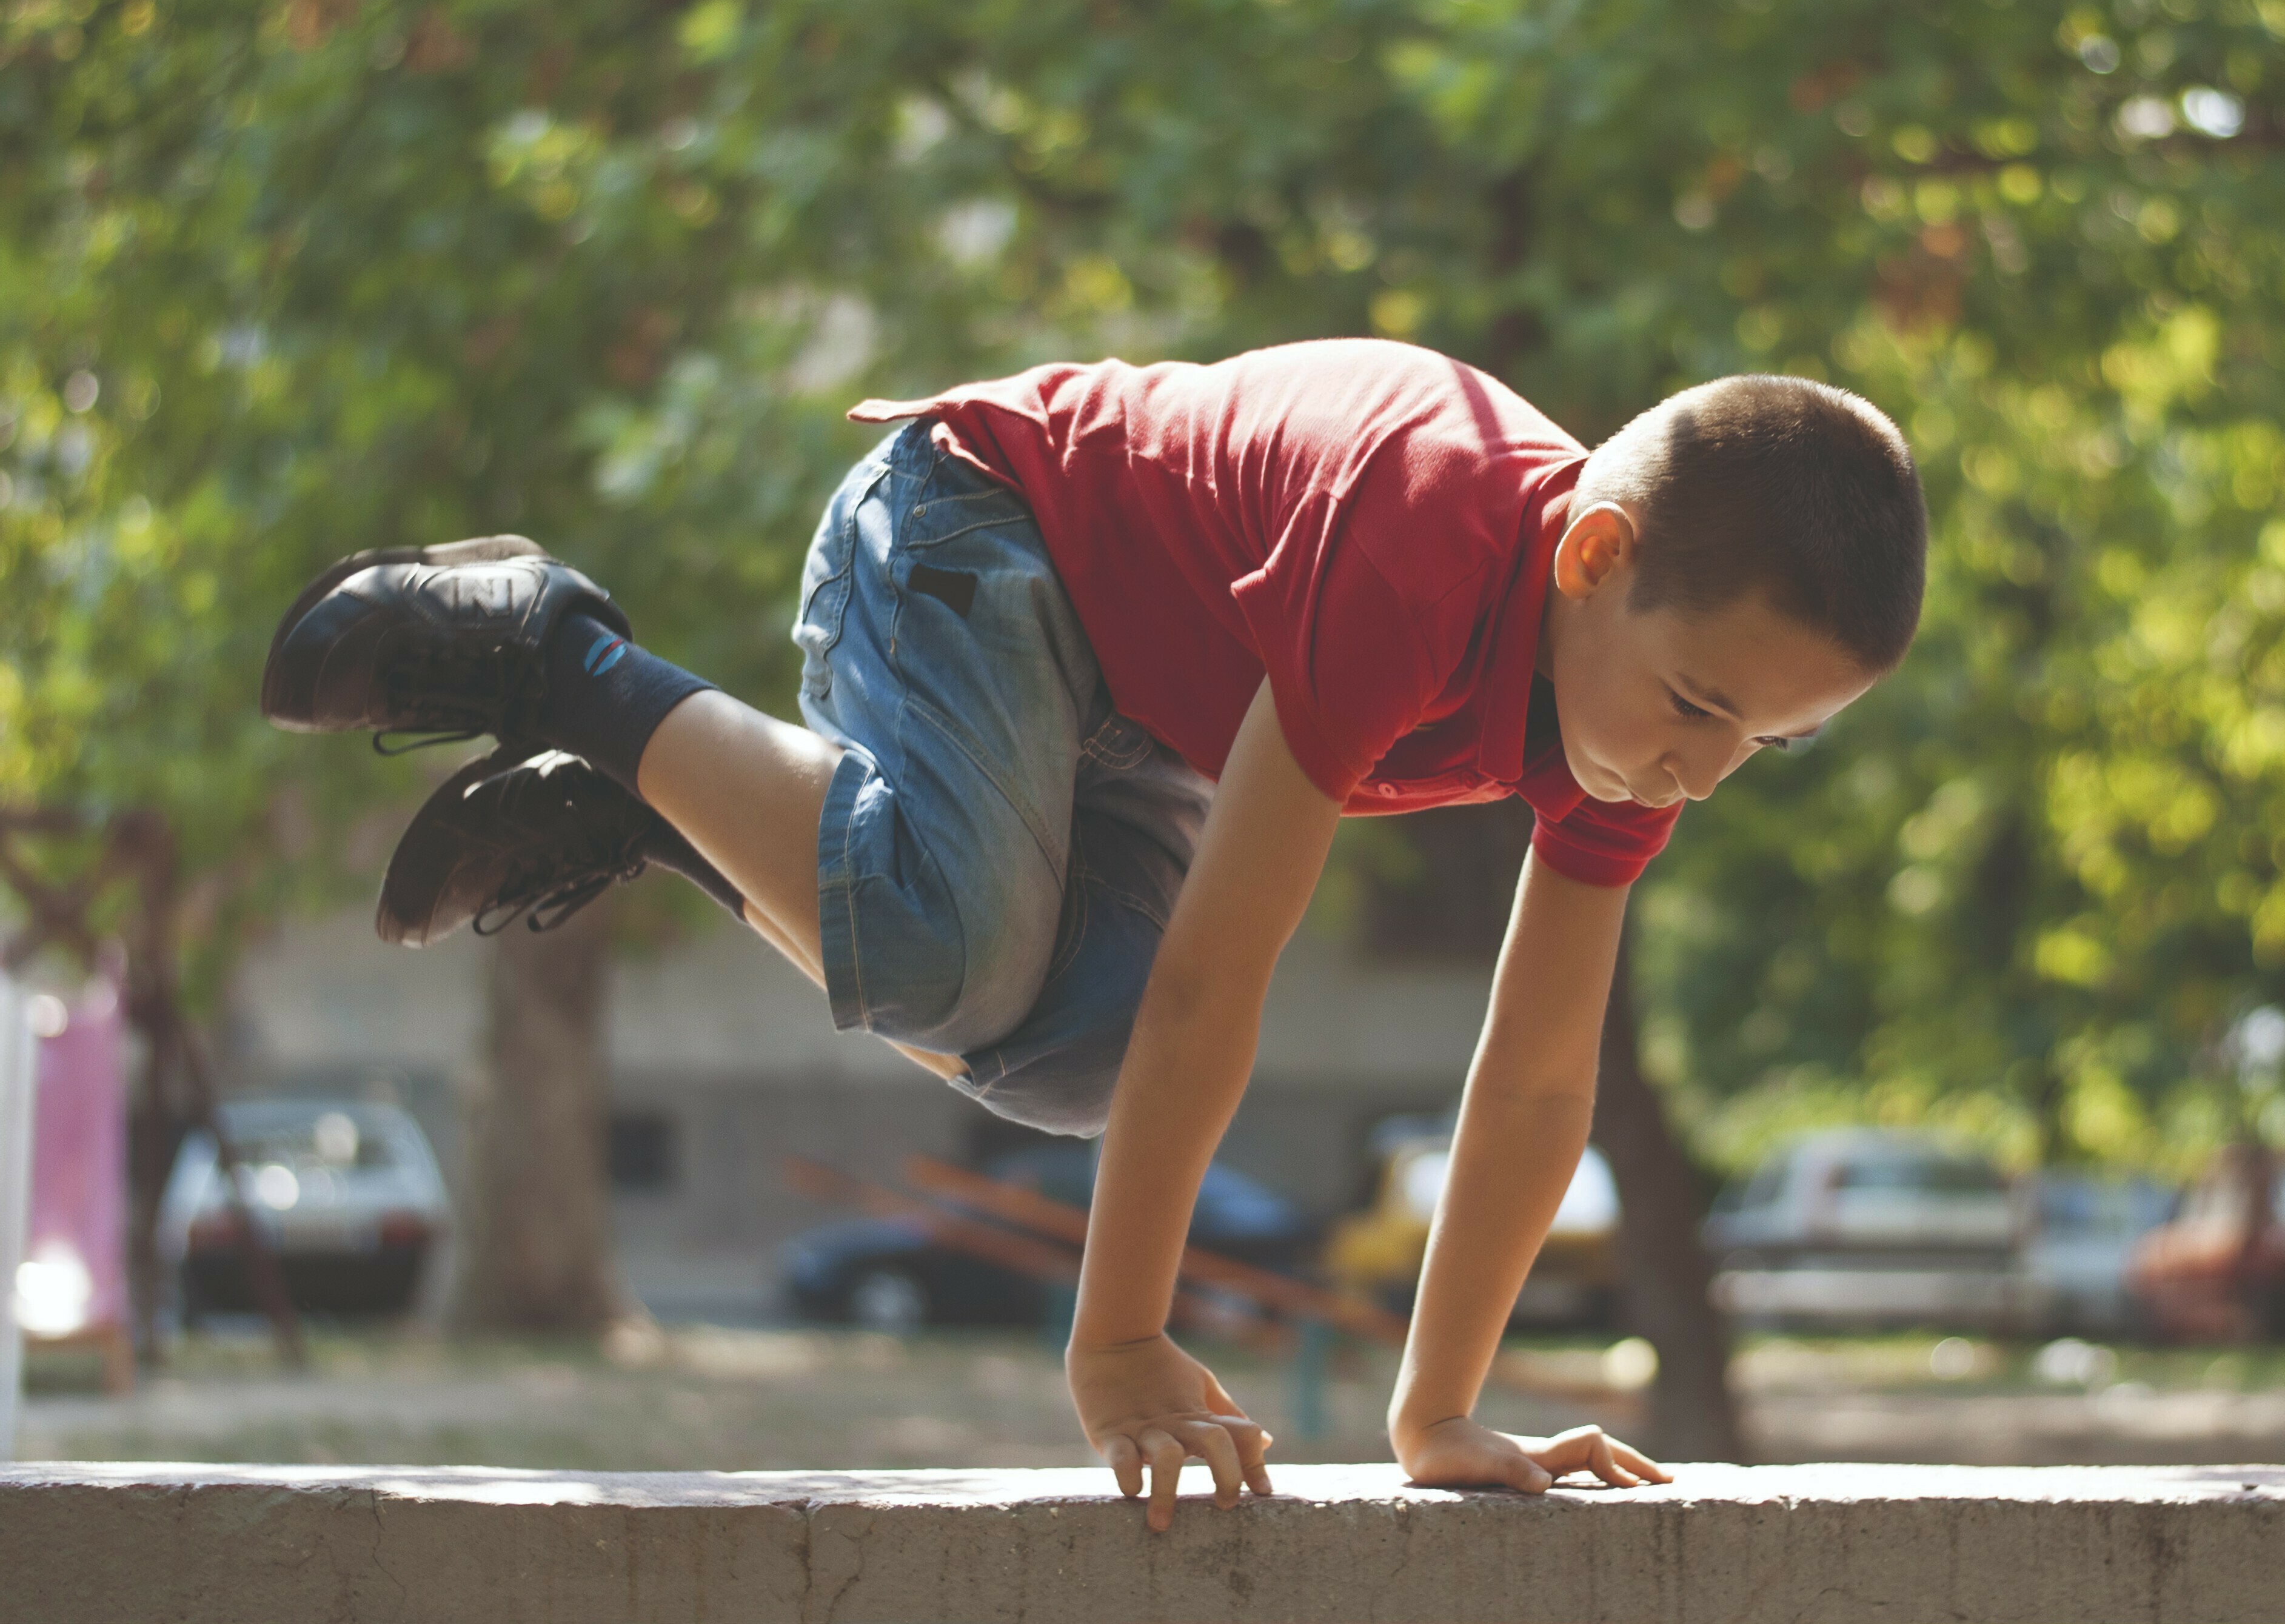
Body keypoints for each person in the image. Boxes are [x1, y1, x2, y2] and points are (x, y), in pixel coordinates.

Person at [263, 338, 1924, 1528]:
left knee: (1076, 1069)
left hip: (1131, 720)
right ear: (1593, 554)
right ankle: (557, 656)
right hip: (975, 534)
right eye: (1701, 706)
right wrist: (1118, 1338)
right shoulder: (1424, 539)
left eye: (1759, 747)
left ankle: (652, 798)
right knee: (952, 962)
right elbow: (1220, 971)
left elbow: (1539, 1084)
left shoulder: (1631, 732)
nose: (1702, 773)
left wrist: (1440, 1416)